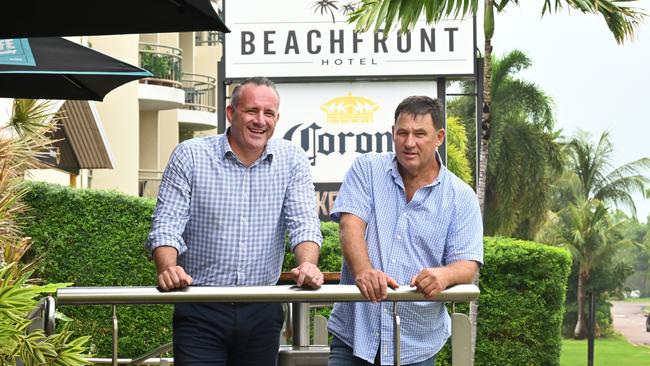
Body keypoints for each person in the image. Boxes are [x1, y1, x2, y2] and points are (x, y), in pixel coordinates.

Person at [146, 76, 324, 365]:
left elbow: (303, 223)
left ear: (277, 119)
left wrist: (307, 263)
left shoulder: (292, 159)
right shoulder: (190, 155)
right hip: (199, 306)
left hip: (262, 309)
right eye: (251, 111)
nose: (260, 120)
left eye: (268, 114)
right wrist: (168, 267)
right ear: (231, 113)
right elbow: (166, 224)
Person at [327, 96, 483, 366]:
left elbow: (467, 264)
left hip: (416, 345)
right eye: (402, 133)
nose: (409, 142)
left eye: (420, 134)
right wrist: (364, 271)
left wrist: (444, 275)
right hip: (354, 338)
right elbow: (349, 226)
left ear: (439, 137)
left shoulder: (460, 196)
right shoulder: (367, 169)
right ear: (393, 133)